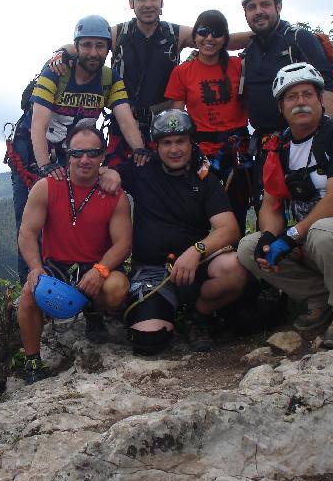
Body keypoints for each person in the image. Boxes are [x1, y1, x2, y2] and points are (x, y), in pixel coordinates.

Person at [237, 63, 333, 348]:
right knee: (249, 247)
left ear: (320, 99)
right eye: (291, 97)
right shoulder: (280, 147)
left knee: (323, 230)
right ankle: (318, 297)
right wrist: (271, 237)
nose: (300, 102)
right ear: (281, 106)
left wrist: (291, 237)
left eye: (307, 94)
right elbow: (271, 203)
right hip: (313, 239)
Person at [49, 0, 252, 163]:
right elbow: (84, 44)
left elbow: (219, 39)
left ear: (162, 1)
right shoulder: (118, 34)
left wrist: (262, 34)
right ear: (131, 2)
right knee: (118, 182)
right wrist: (62, 52)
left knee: (160, 186)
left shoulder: (175, 34)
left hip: (162, 125)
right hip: (123, 123)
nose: (148, 4)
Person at [9, 14, 146, 285]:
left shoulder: (109, 78)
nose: (93, 52)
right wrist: (45, 167)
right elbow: (38, 124)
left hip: (70, 152)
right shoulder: (56, 72)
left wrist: (140, 149)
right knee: (30, 221)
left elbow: (125, 117)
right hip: (31, 152)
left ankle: (72, 283)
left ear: (109, 49)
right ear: (77, 46)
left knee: (71, 216)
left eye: (100, 46)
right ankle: (28, 289)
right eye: (87, 45)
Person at [101, 109, 247, 354]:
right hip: (152, 272)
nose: (174, 149)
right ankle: (155, 311)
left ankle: (198, 315)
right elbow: (108, 172)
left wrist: (196, 250)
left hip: (196, 266)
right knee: (150, 342)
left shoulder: (205, 181)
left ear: (191, 143)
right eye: (166, 142)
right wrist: (112, 173)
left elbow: (229, 228)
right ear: (156, 146)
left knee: (234, 268)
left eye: (180, 141)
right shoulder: (141, 171)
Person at [18, 125, 132, 384]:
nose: (85, 159)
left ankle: (94, 312)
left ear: (102, 156)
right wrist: (35, 268)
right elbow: (27, 233)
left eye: (92, 153)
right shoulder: (46, 187)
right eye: (77, 153)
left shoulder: (115, 195)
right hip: (57, 265)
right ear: (67, 154)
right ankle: (33, 361)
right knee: (28, 292)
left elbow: (123, 243)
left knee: (117, 287)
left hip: (96, 264)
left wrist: (101, 270)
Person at [239, 0, 333, 203]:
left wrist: (328, 134)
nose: (258, 11)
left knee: (312, 204)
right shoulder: (250, 51)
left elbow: (327, 86)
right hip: (266, 147)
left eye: (265, 4)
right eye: (251, 7)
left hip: (304, 141)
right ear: (245, 13)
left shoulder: (298, 38)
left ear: (278, 6)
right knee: (267, 206)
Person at [165, 9, 252, 235]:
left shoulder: (239, 66)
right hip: (200, 153)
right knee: (200, 210)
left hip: (237, 152)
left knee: (237, 208)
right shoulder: (182, 72)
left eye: (217, 33)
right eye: (203, 32)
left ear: (225, 38)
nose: (209, 38)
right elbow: (176, 118)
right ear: (195, 35)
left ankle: (237, 260)